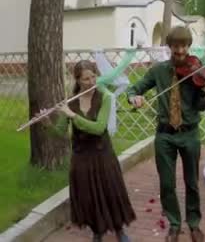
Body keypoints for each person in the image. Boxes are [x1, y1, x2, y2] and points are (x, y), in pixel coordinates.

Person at [126, 26, 205, 242]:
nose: (180, 50)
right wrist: (134, 98)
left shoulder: (197, 71)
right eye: (176, 45)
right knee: (167, 183)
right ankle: (174, 224)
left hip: (189, 134)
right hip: (164, 135)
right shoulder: (158, 71)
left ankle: (194, 224)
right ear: (169, 46)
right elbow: (135, 89)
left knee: (192, 182)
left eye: (184, 45)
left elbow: (199, 105)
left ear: (189, 46)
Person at [35, 60, 135, 242]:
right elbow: (59, 133)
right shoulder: (70, 102)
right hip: (81, 156)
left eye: (93, 77)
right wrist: (46, 122)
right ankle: (97, 231)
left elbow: (99, 128)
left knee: (111, 193)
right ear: (78, 81)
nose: (91, 82)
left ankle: (119, 230)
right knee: (89, 197)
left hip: (102, 153)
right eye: (86, 79)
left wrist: (72, 115)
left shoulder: (105, 98)